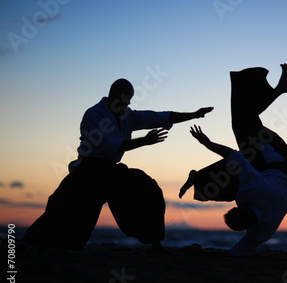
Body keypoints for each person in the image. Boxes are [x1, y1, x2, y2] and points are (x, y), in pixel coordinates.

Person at [22, 78, 213, 252]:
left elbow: (159, 116)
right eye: (124, 100)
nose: (127, 105)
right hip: (89, 170)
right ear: (113, 95)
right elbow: (106, 145)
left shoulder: (126, 115)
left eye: (129, 101)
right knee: (65, 207)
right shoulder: (93, 115)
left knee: (147, 188)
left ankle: (155, 243)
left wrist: (194, 115)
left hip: (111, 170)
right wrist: (143, 142)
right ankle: (34, 243)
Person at [179, 64, 287, 256]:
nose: (236, 203)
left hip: (267, 173)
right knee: (243, 119)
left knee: (212, 187)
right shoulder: (255, 190)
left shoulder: (260, 234)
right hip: (274, 154)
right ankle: (279, 89)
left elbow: (238, 251)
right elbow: (235, 156)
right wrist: (207, 143)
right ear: (245, 209)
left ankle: (198, 179)